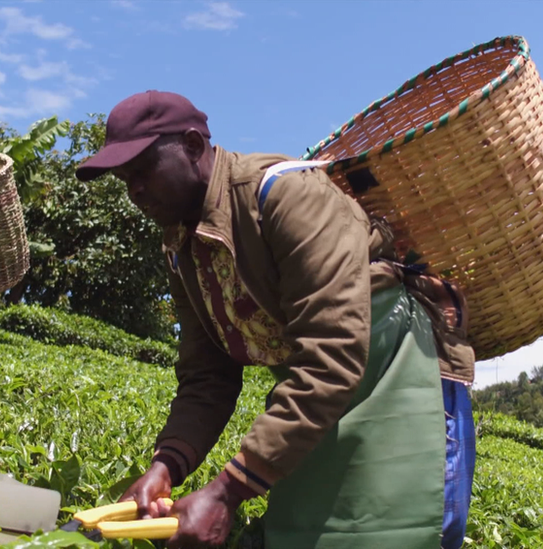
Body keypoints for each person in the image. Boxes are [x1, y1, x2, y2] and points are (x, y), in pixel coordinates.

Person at [75, 91, 478, 549]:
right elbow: (207, 376)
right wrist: (164, 467)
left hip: (398, 379)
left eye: (143, 170)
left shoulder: (285, 195)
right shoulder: (181, 249)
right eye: (126, 180)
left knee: (397, 532)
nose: (135, 191)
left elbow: (335, 354)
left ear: (191, 145)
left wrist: (226, 492)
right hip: (318, 405)